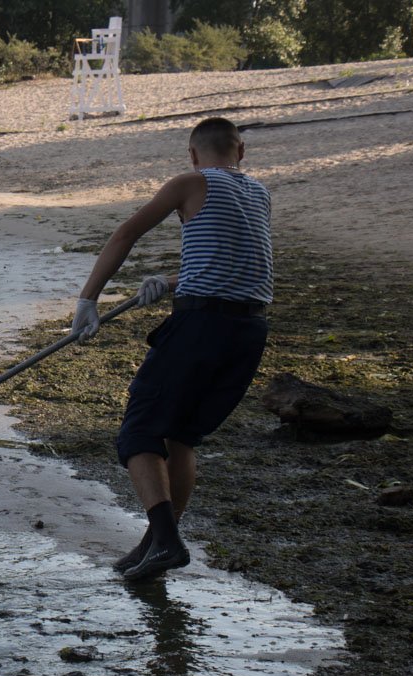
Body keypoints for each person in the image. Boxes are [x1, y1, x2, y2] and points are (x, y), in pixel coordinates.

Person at [71, 117, 272, 582]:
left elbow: (125, 233)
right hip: (248, 333)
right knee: (180, 437)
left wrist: (88, 299)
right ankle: (156, 544)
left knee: (138, 432)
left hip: (202, 326)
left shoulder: (189, 182)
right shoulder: (259, 193)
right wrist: (171, 280)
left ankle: (164, 540)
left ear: (192, 154)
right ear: (241, 152)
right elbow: (239, 268)